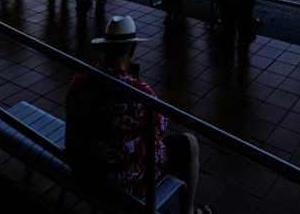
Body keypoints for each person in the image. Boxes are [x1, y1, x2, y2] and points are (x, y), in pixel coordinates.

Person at [65, 16, 205, 214]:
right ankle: (189, 211)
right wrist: (134, 79)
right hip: (117, 180)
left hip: (83, 167)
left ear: (105, 48)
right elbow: (161, 126)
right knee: (189, 143)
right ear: (132, 49)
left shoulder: (79, 81)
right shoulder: (138, 91)